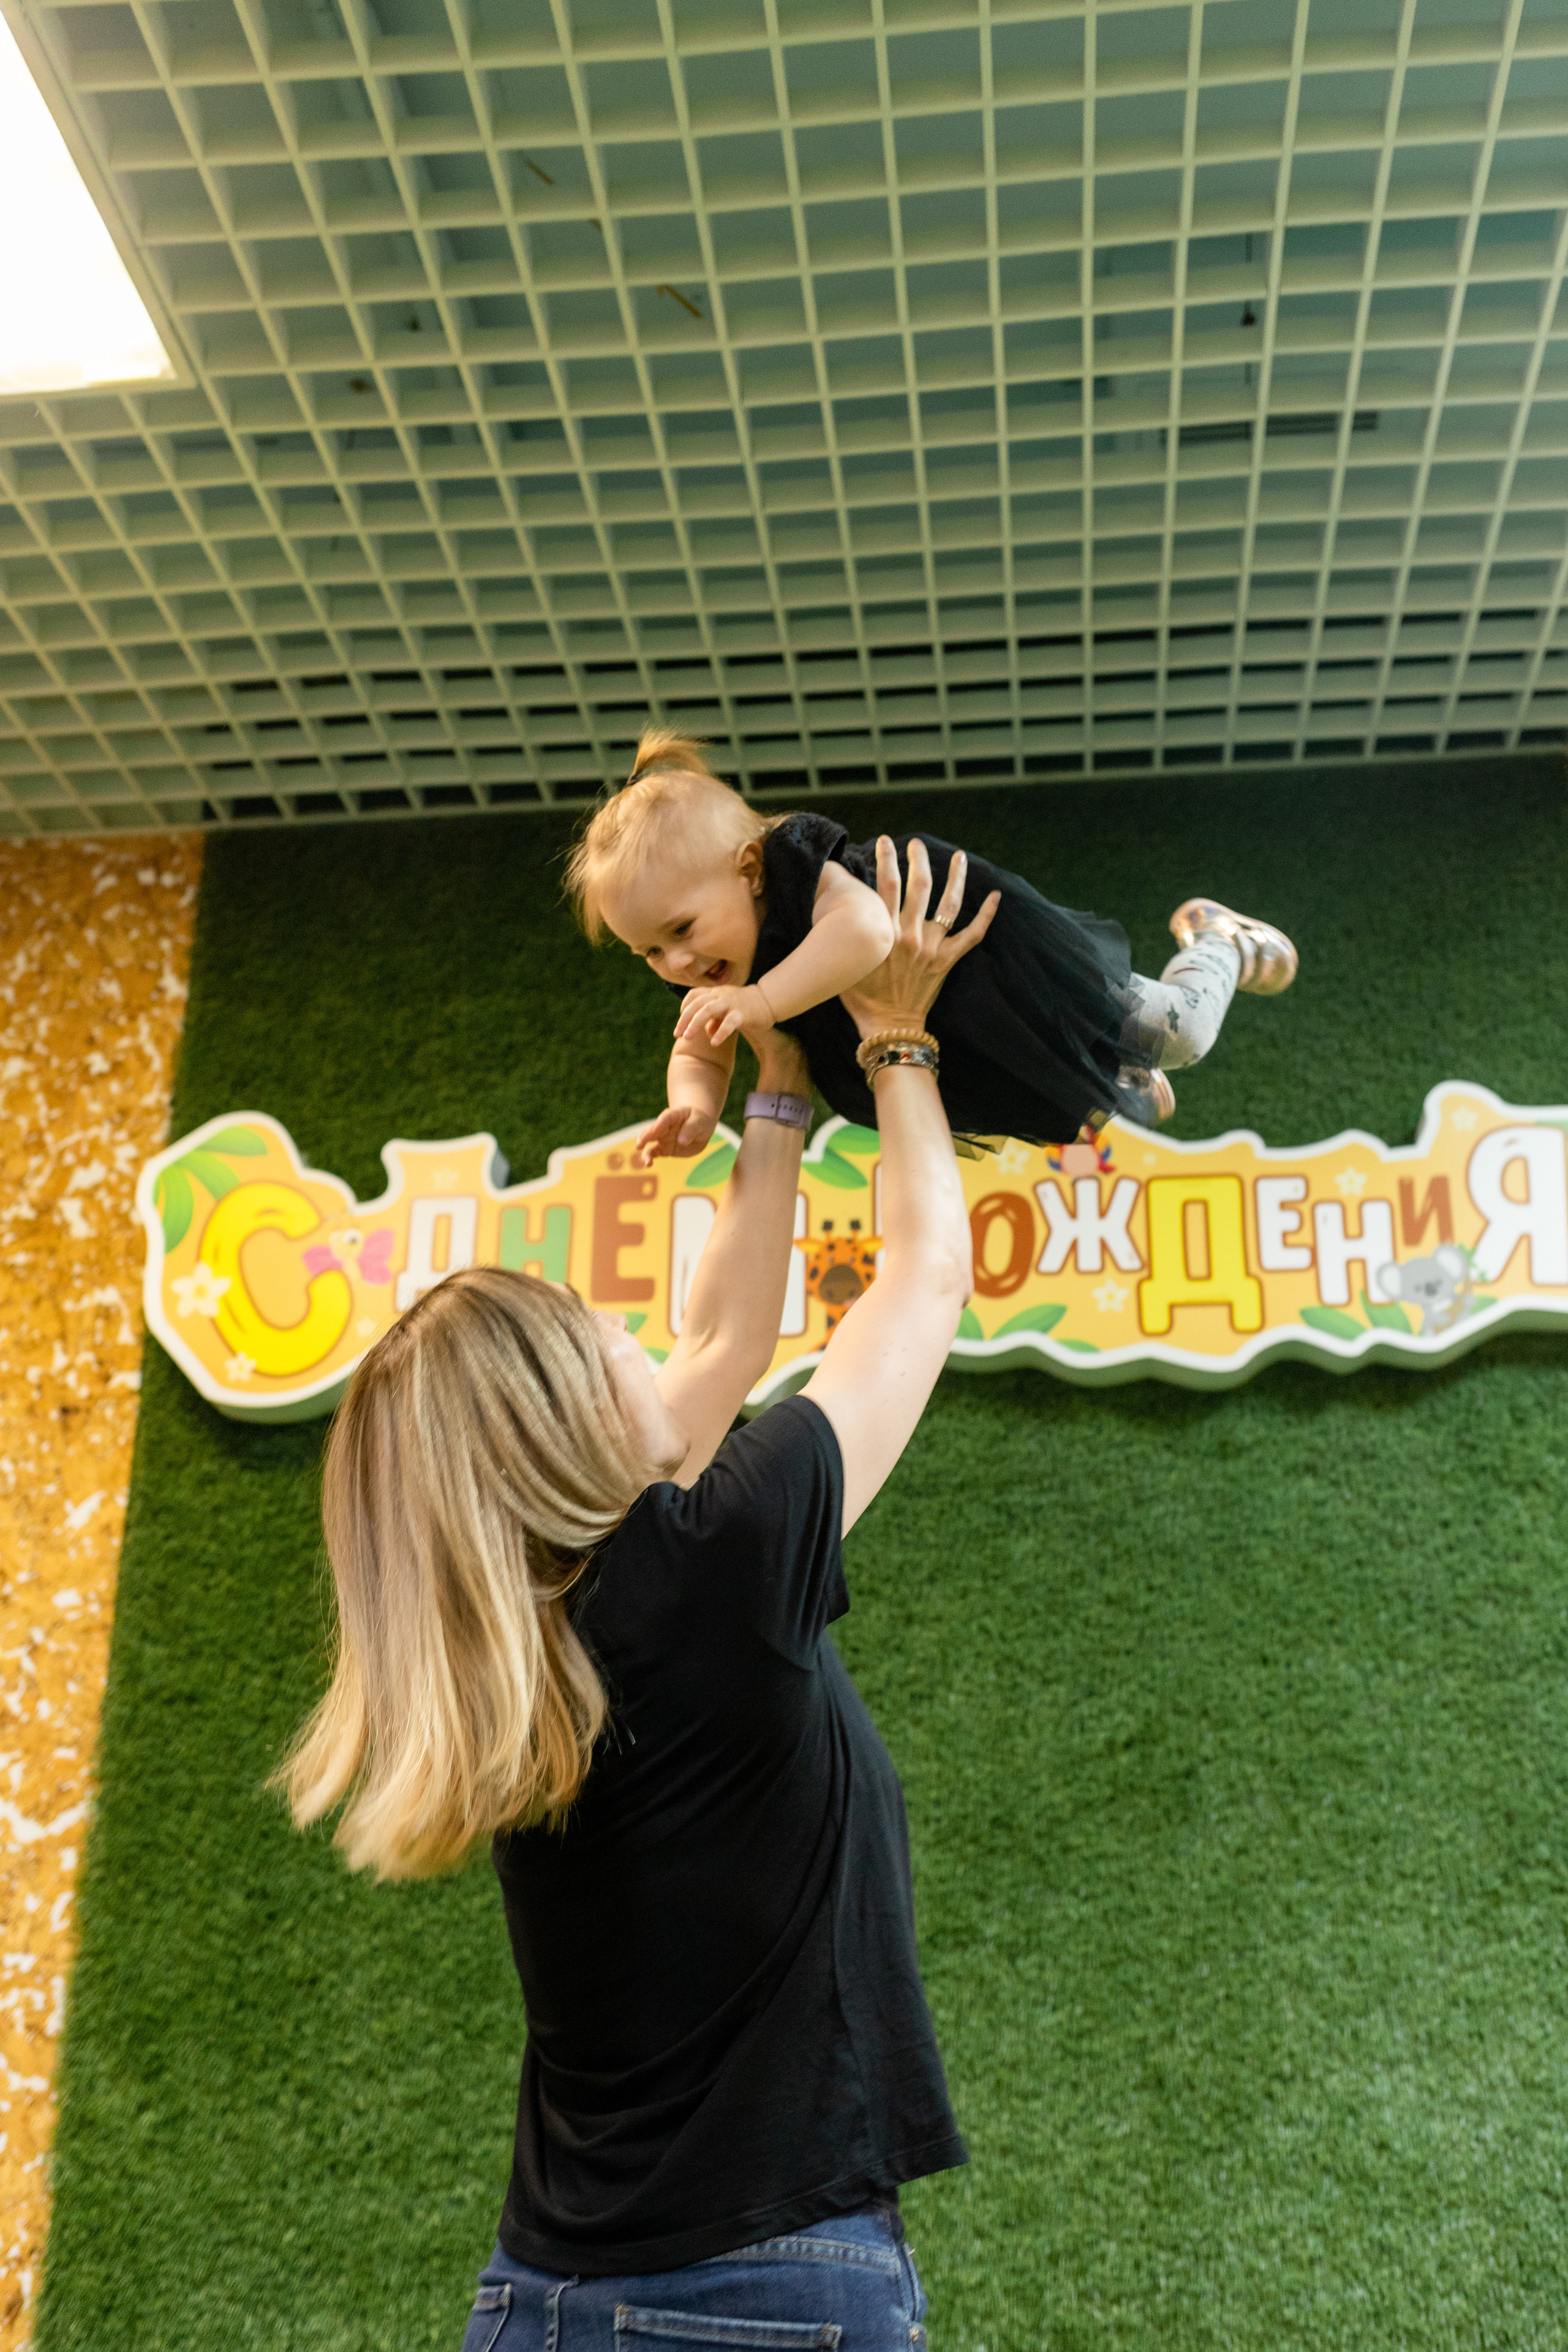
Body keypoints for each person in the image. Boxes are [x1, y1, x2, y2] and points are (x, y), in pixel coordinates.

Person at [276, 839, 997, 2350]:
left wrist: (780, 1095)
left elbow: (726, 1335)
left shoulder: (535, 1625)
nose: (636, 1337)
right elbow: (925, 1278)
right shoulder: (708, 1564)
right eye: (598, 1331)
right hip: (759, 2292)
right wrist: (898, 1029)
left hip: (545, 2296)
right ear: (563, 1416)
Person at [564, 728, 1298, 1167]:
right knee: (1070, 1120)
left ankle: (1215, 940)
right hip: (936, 1032)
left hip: (988, 961)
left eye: (682, 931)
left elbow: (867, 935)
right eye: (649, 954)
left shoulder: (797, 868)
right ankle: (1117, 1075)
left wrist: (758, 999)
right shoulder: (707, 973)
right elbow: (699, 1047)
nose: (677, 966)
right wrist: (691, 1107)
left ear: (748, 870)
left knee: (1184, 1035)